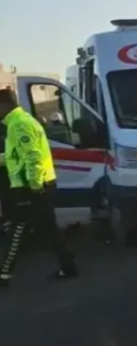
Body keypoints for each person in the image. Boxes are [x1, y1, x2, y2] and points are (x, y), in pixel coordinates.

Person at [0, 88, 78, 286]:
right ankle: (68, 266)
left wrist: (33, 186)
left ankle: (4, 274)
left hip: (32, 185)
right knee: (49, 228)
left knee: (17, 229)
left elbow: (33, 157)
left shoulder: (19, 125)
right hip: (41, 183)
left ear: (5, 105)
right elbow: (17, 156)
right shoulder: (20, 121)